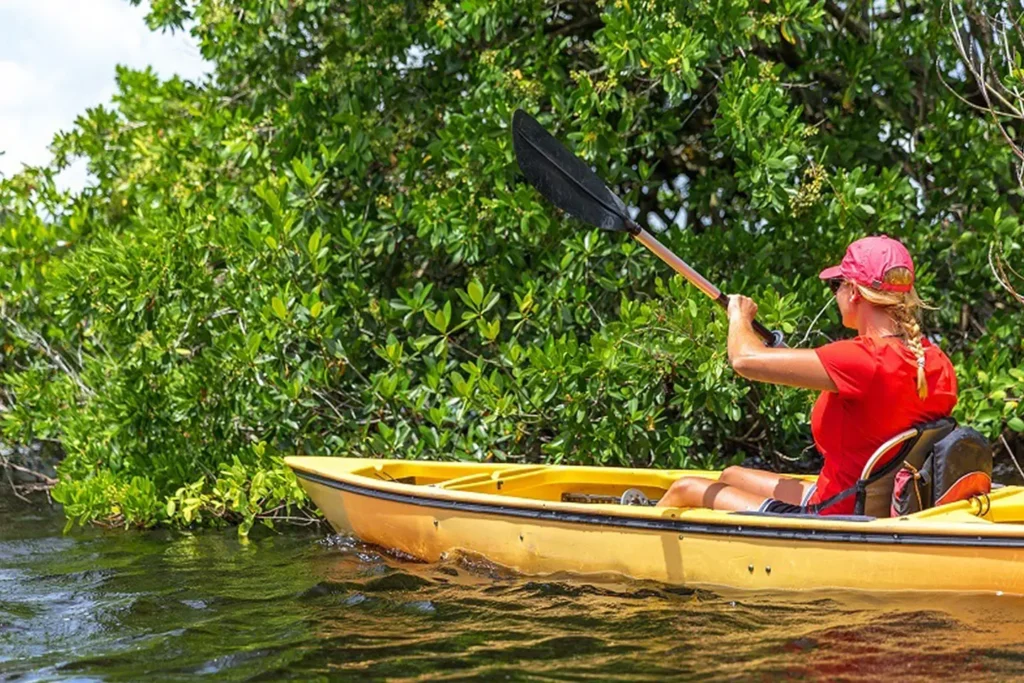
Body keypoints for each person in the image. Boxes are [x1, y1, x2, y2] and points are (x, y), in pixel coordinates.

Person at [655, 235, 958, 515]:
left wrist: (739, 315)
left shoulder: (861, 358)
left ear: (853, 291)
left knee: (686, 488)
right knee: (730, 476)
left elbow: (743, 359)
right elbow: (875, 402)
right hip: (869, 502)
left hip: (832, 515)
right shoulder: (935, 361)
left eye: (836, 285)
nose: (835, 292)